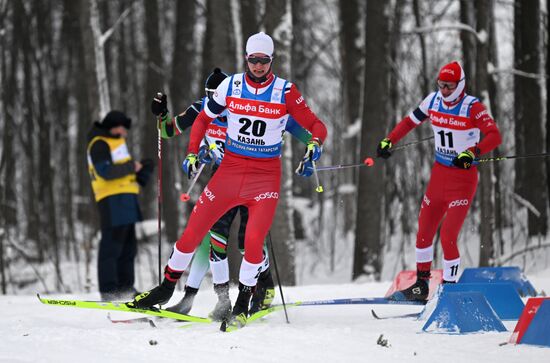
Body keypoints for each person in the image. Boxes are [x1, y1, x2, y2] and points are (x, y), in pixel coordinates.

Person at [130, 32, 327, 330]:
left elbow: (314, 125)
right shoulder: (229, 87)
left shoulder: (284, 92)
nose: (258, 66)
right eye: (253, 60)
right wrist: (191, 150)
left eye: (264, 61)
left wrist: (314, 146)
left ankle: (244, 302)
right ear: (245, 59)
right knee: (194, 233)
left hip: (264, 178)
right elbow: (196, 121)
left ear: (271, 60)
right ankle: (166, 288)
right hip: (228, 174)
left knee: (250, 243)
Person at [151, 69, 313, 320]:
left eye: (216, 96)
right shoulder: (203, 108)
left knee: (246, 242)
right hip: (224, 179)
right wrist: (162, 117)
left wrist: (310, 147)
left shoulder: (247, 104)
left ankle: (264, 287)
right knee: (216, 236)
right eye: (209, 96)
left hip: (257, 178)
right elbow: (168, 131)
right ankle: (222, 299)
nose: (214, 103)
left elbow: (300, 128)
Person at [376, 61, 502, 301]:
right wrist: (389, 140)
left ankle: (449, 289)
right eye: (441, 85)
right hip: (439, 176)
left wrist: (473, 152)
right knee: (424, 230)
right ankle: (421, 286)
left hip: (462, 180)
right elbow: (409, 122)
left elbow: (495, 136)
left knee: (448, 235)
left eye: (449, 86)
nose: (444, 90)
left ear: (460, 85)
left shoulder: (472, 107)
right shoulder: (432, 100)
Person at [87, 110, 154, 301]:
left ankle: (125, 289)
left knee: (128, 248)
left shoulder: (117, 143)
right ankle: (109, 291)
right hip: (111, 199)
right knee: (112, 247)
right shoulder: (99, 143)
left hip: (126, 198)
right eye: (123, 128)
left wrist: (143, 171)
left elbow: (126, 173)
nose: (125, 133)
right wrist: (133, 167)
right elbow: (105, 171)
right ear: (114, 127)